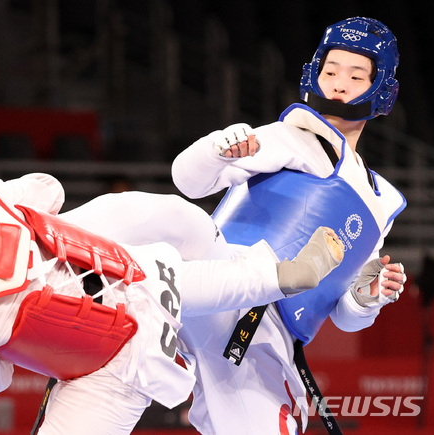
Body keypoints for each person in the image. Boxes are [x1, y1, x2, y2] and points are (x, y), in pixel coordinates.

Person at [0, 155, 343, 435]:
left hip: (114, 361)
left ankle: (252, 286)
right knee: (149, 275)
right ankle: (272, 274)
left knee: (118, 333)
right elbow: (49, 188)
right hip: (134, 261)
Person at [167, 17, 408, 434]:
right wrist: (218, 147)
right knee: (170, 219)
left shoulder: (380, 203)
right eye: (330, 71)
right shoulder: (294, 137)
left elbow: (343, 315)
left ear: (380, 87)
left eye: (355, 75)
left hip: (263, 334)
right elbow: (188, 181)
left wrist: (367, 298)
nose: (338, 84)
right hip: (219, 276)